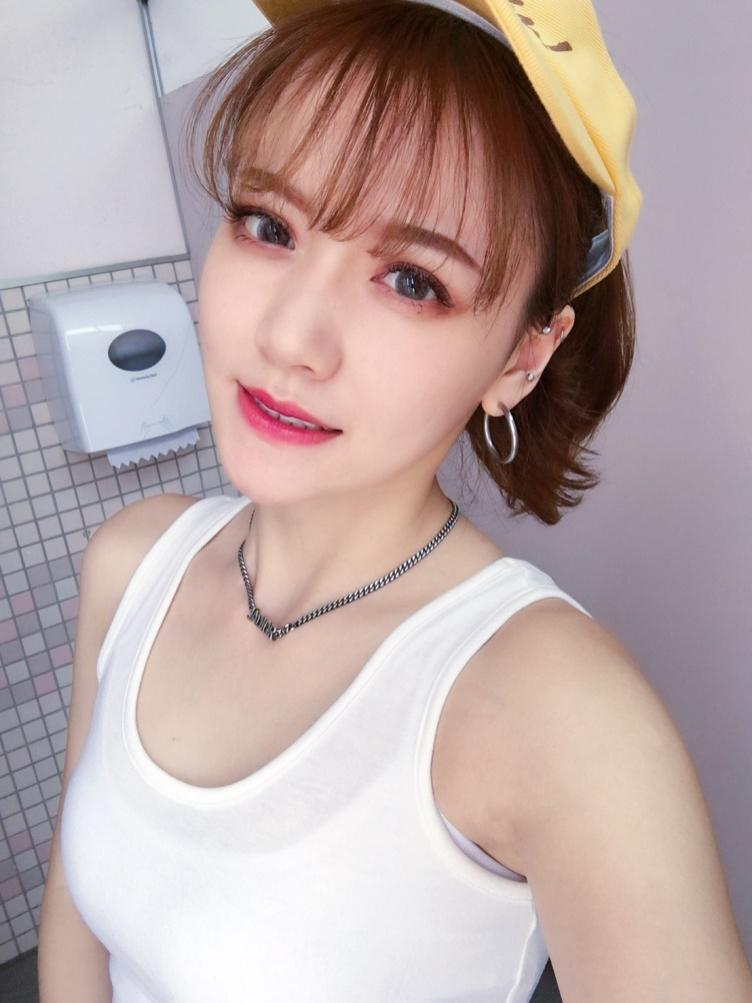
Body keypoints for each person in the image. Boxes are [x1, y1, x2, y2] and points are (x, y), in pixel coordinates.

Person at [38, 1, 752, 1000]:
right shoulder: (132, 561)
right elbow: (77, 931)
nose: (289, 338)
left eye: (413, 281)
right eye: (268, 226)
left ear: (521, 356)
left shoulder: (561, 714)